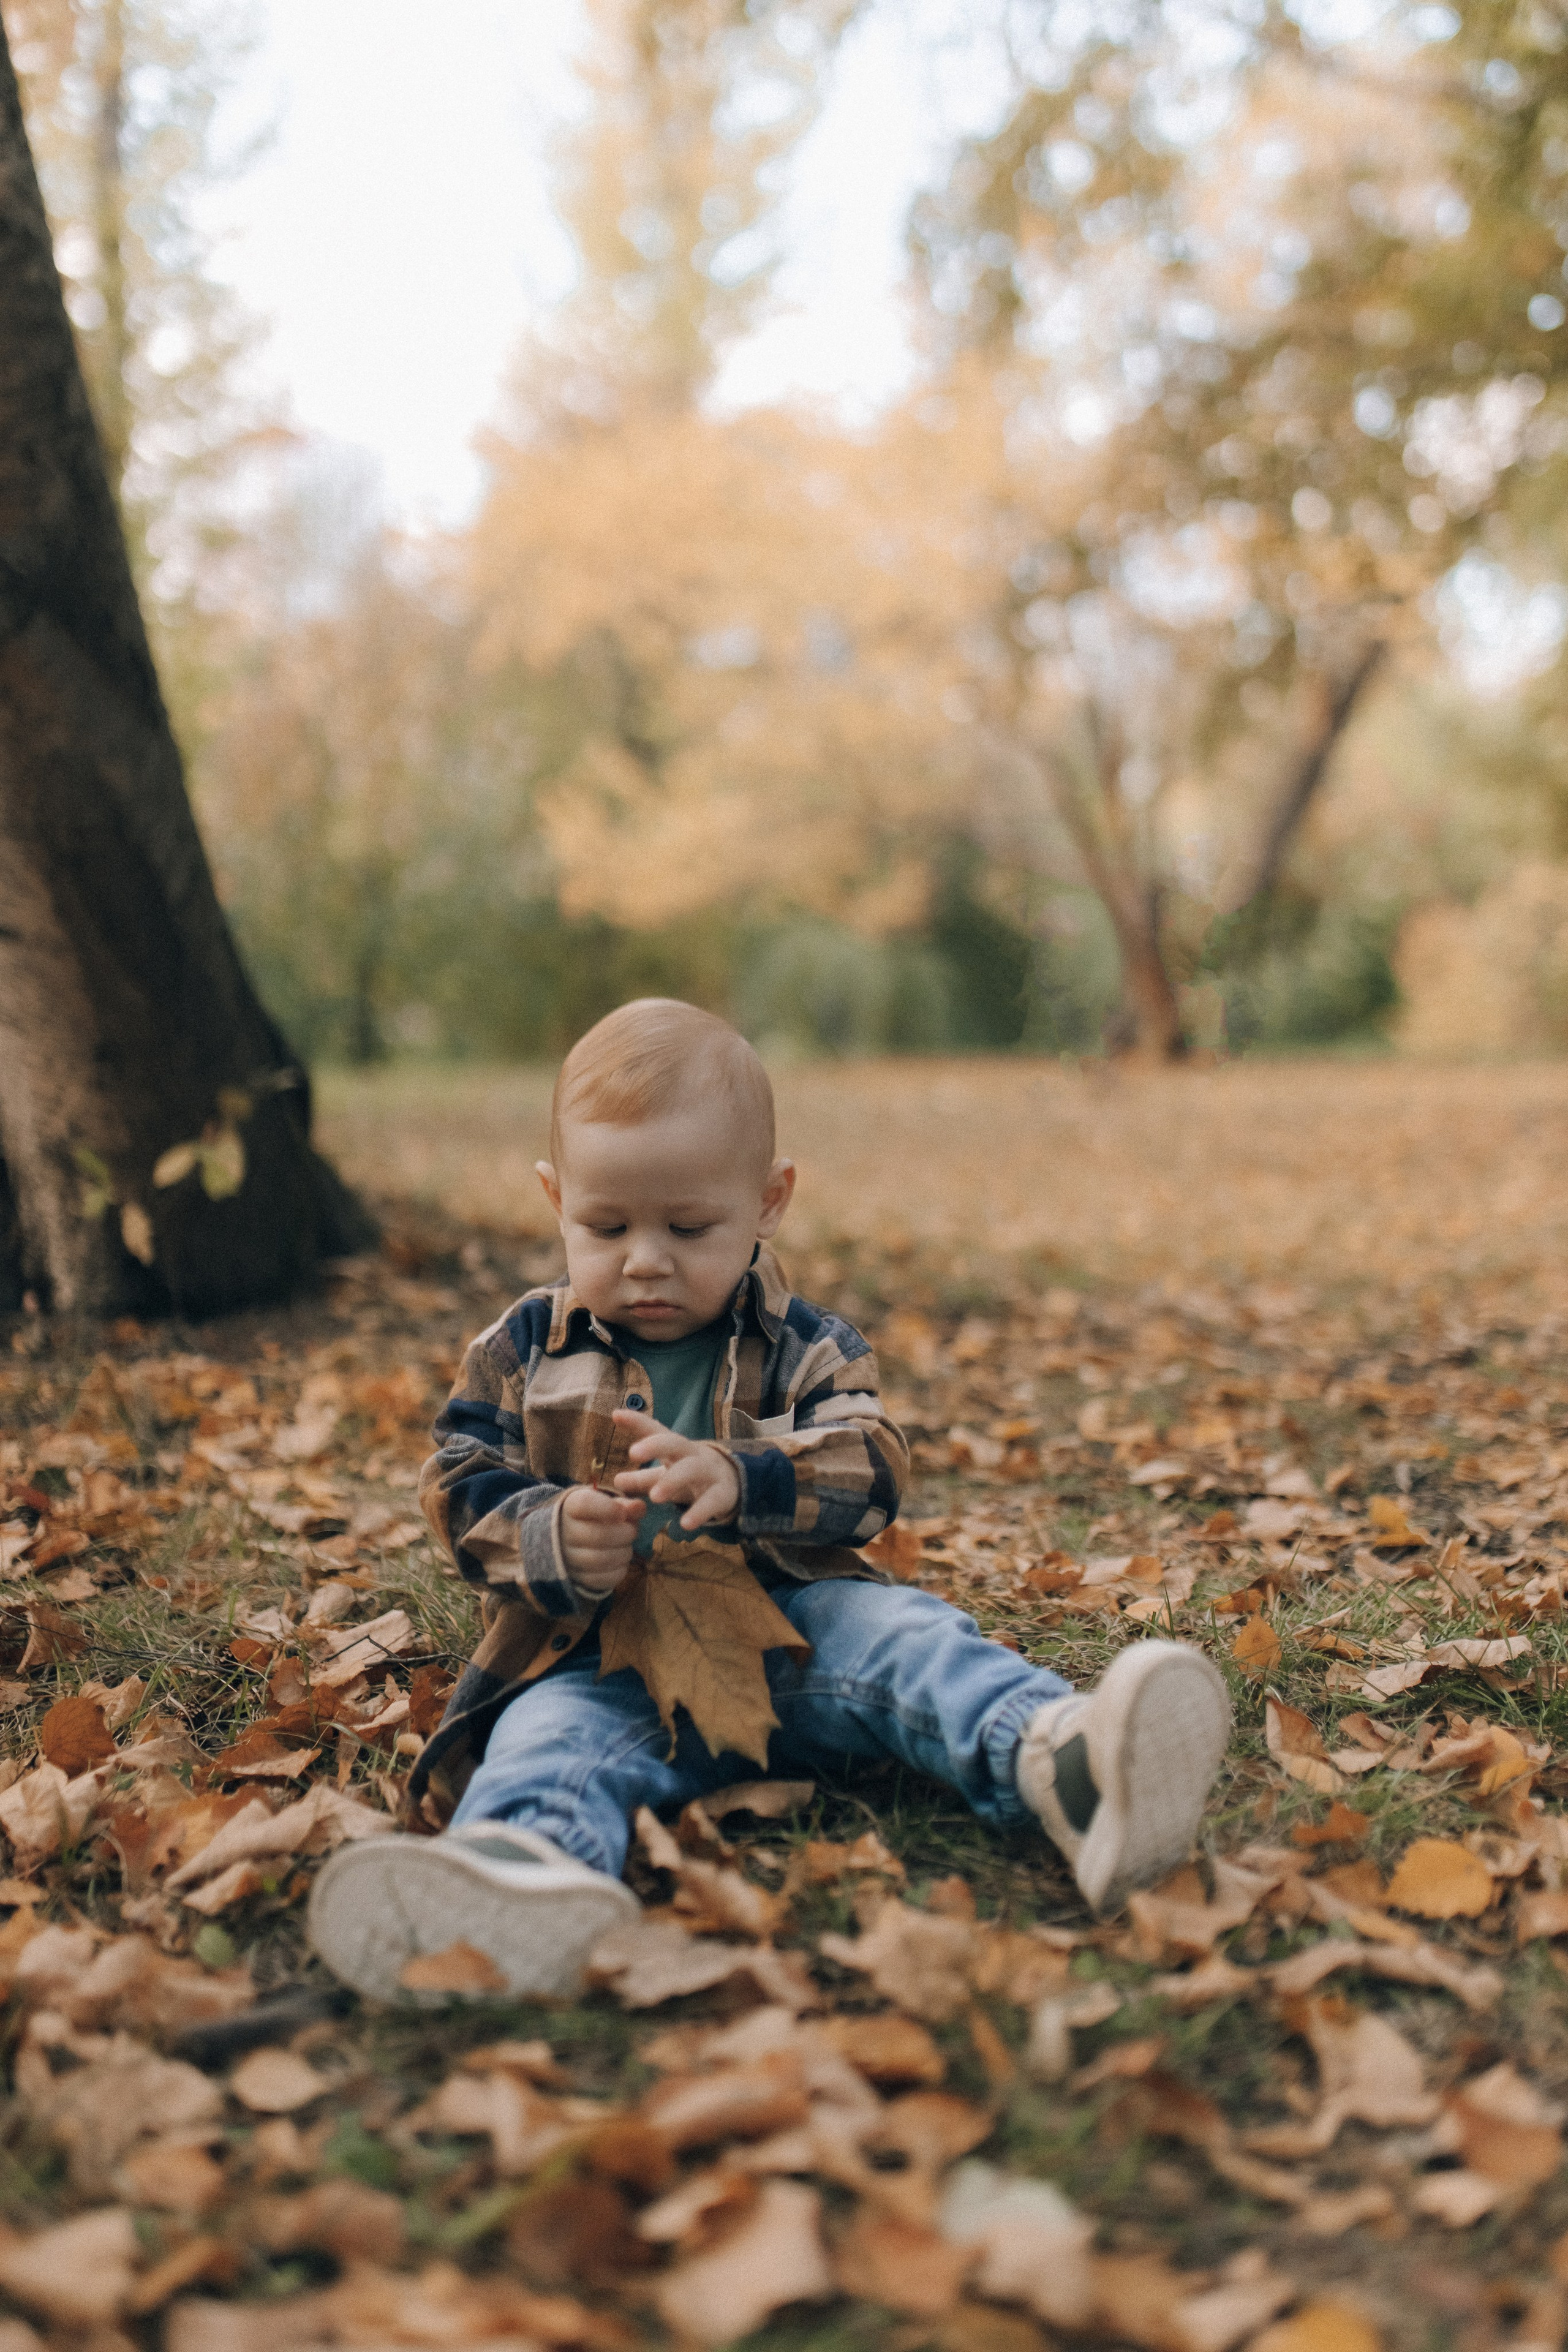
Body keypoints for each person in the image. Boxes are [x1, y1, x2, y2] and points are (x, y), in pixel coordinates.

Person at [309, 999, 1231, 2000]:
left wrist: (746, 1474)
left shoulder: (809, 1344)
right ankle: (517, 1879)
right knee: (546, 1744)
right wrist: (546, 1536)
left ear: (770, 1199)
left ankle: (1067, 1763)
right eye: (606, 1225)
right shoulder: (522, 1350)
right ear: (554, 1197)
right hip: (599, 1661)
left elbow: (873, 1462)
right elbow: (455, 1480)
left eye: (690, 1225)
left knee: (910, 1639)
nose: (647, 1257)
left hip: (799, 1636)